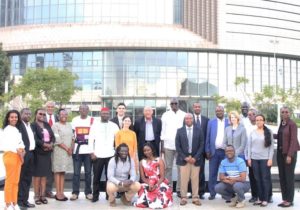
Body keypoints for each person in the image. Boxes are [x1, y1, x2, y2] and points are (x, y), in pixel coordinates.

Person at [88, 107, 119, 202]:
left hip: (110, 154)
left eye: (107, 113)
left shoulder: (114, 125)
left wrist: (116, 153)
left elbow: (118, 140)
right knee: (96, 177)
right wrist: (91, 152)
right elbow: (90, 140)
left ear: (109, 115)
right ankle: (95, 196)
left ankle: (108, 195)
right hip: (98, 155)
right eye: (103, 113)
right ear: (100, 114)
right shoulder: (95, 125)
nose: (105, 115)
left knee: (109, 177)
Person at [175, 113, 204, 206]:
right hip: (184, 160)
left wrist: (195, 157)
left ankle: (195, 197)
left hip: (196, 159)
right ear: (184, 120)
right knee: (184, 179)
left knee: (195, 179)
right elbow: (177, 146)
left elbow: (201, 145)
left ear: (193, 119)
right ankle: (183, 197)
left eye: (190, 118)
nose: (188, 120)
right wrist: (185, 157)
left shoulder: (199, 130)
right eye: (186, 118)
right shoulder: (180, 131)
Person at [274, 106, 300, 207]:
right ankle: (285, 199)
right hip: (280, 153)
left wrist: (289, 155)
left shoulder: (292, 124)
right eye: (283, 112)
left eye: (286, 112)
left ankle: (290, 200)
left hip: (289, 153)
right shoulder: (282, 123)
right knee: (282, 177)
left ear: (290, 113)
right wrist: (270, 135)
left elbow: (293, 140)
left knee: (289, 177)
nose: (284, 113)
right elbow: (280, 136)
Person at [160, 97, 186, 197]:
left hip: (180, 146)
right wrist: (162, 145)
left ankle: (179, 189)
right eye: (172, 104)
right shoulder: (165, 115)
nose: (174, 105)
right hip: (168, 145)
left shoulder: (183, 114)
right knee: (168, 168)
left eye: (175, 103)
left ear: (178, 104)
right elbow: (163, 130)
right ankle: (168, 188)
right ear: (170, 105)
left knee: (180, 168)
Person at [135, 143, 173, 208]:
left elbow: (162, 176)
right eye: (145, 151)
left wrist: (156, 185)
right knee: (142, 196)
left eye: (148, 150)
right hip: (148, 182)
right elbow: (143, 178)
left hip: (159, 181)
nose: (146, 152)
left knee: (160, 192)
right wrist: (150, 184)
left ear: (152, 150)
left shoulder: (159, 160)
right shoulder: (141, 162)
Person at [247, 114, 274, 207]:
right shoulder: (252, 132)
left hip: (265, 159)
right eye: (257, 120)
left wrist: (270, 158)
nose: (258, 121)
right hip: (254, 159)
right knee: (257, 179)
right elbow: (249, 146)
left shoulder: (268, 132)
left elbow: (271, 147)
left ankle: (265, 199)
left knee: (264, 179)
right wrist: (249, 158)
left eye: (260, 120)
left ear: (264, 121)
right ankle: (259, 198)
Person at [2, 110, 25, 210]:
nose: (14, 119)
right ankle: (7, 204)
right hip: (10, 156)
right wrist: (21, 155)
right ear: (8, 118)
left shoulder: (15, 129)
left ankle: (14, 202)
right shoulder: (7, 130)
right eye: (12, 117)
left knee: (16, 181)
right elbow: (13, 145)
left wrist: (22, 152)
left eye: (16, 117)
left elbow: (21, 143)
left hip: (17, 156)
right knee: (10, 181)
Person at [31, 108, 55, 205]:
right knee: (37, 176)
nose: (42, 116)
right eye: (40, 113)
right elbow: (34, 138)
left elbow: (53, 136)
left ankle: (42, 195)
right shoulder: (32, 125)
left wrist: (51, 144)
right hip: (38, 153)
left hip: (47, 153)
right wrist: (44, 145)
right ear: (36, 114)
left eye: (44, 114)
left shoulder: (47, 125)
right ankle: (36, 196)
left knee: (44, 175)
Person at [205, 105, 229, 200]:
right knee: (212, 174)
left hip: (226, 152)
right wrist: (207, 150)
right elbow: (207, 136)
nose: (219, 112)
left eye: (220, 110)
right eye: (217, 110)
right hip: (213, 152)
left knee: (226, 173)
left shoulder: (228, 121)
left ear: (223, 111)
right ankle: (212, 193)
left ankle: (225, 193)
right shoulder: (211, 122)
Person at [70, 104, 93, 201]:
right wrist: (71, 149)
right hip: (77, 150)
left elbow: (94, 136)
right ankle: (75, 192)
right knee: (76, 173)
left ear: (88, 110)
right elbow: (72, 135)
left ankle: (88, 192)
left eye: (85, 109)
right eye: (81, 109)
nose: (83, 110)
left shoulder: (92, 120)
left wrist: (93, 151)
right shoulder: (75, 120)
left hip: (88, 150)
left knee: (88, 173)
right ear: (79, 110)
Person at [51, 109, 73, 201]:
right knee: (57, 171)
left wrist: (71, 148)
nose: (64, 115)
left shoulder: (69, 125)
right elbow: (57, 140)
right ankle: (58, 193)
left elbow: (73, 138)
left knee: (63, 172)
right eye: (61, 114)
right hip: (58, 151)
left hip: (68, 152)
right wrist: (67, 148)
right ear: (58, 115)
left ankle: (62, 192)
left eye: (65, 114)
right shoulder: (55, 125)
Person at [17, 108, 36, 208]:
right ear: (21, 114)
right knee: (21, 178)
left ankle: (25, 200)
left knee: (28, 179)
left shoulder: (30, 126)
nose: (28, 115)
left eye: (29, 114)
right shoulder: (19, 125)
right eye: (26, 114)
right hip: (23, 154)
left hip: (31, 154)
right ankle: (19, 201)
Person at [192, 102, 209, 199]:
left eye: (199, 106)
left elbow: (208, 135)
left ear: (201, 108)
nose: (197, 108)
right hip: (191, 151)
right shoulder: (188, 119)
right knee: (192, 172)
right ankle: (192, 192)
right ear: (193, 108)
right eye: (196, 106)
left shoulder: (206, 120)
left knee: (201, 171)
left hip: (202, 151)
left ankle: (201, 192)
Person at [44, 101, 58, 199]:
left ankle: (48, 191)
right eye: (48, 106)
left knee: (52, 170)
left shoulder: (57, 118)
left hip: (56, 147)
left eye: (52, 107)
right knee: (43, 170)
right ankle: (41, 191)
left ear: (54, 108)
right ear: (45, 107)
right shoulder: (41, 116)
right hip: (43, 148)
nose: (50, 108)